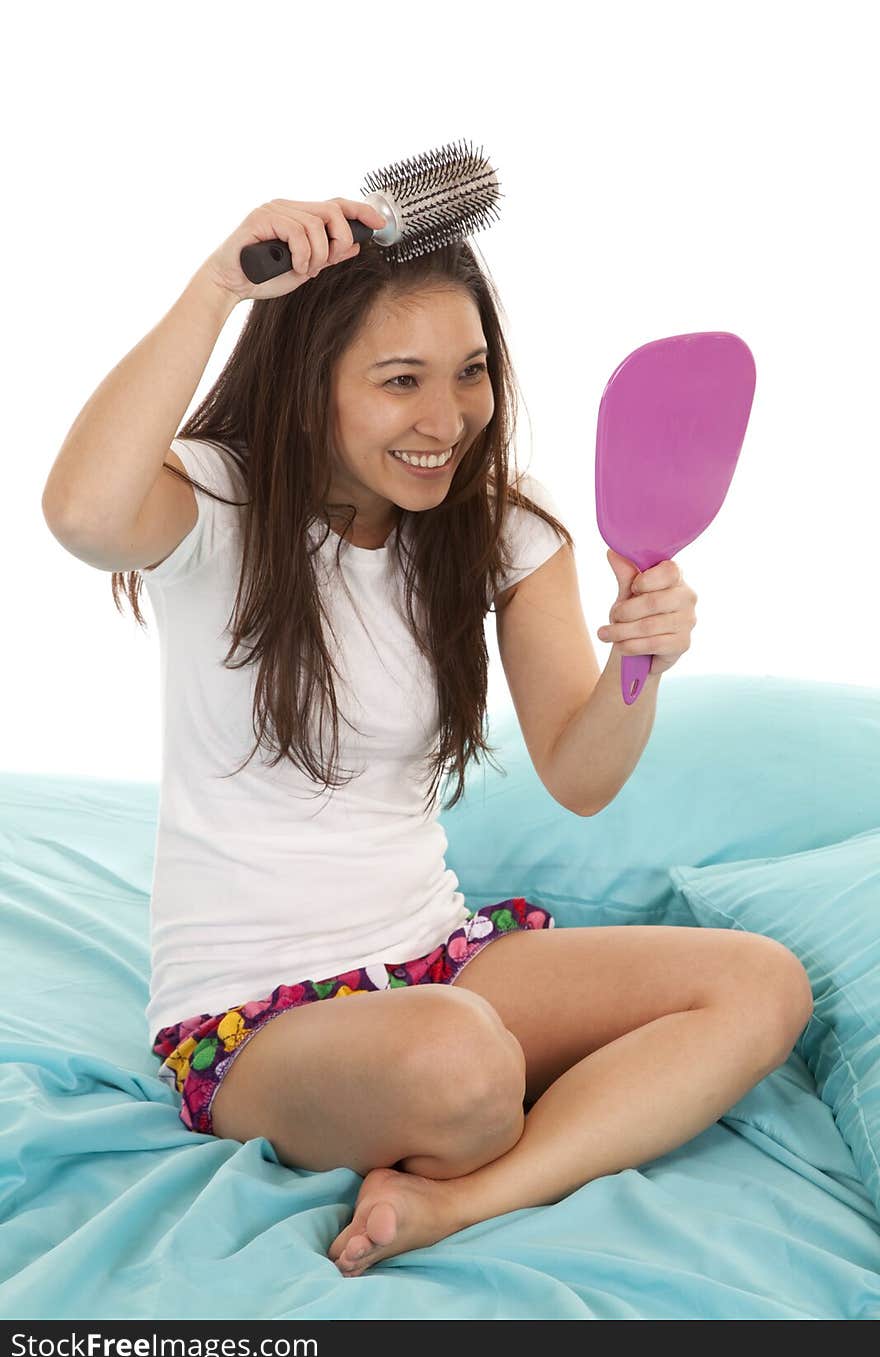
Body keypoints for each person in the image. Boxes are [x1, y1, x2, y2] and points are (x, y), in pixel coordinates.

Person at [42, 197, 814, 1278]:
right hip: (252, 1017)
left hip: (438, 958)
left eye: (469, 372)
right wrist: (217, 283)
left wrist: (641, 659)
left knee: (761, 983)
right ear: (311, 391)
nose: (446, 418)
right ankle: (486, 1113)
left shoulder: (499, 524)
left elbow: (584, 775)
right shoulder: (218, 501)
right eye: (400, 379)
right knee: (464, 1068)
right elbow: (80, 512)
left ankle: (463, 1201)